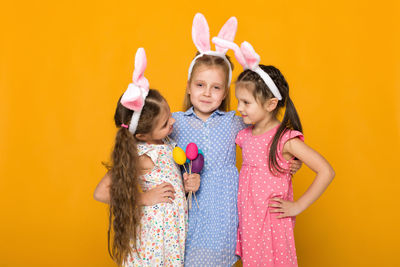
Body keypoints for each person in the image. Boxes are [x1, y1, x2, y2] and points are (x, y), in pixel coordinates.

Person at [169, 14, 301, 266]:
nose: (207, 93)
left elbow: (268, 132)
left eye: (216, 87)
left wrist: (291, 161)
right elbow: (153, 149)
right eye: (200, 84)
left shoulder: (235, 121)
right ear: (188, 86)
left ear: (226, 93)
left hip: (226, 210)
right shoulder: (174, 122)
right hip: (188, 209)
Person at [213, 37, 335, 266]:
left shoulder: (285, 139)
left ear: (270, 104)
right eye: (238, 101)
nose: (239, 108)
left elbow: (326, 171)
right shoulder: (245, 135)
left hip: (273, 224)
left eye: (246, 103)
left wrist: (298, 205)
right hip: (250, 223)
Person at [93, 48, 195, 266]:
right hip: (152, 244)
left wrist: (183, 186)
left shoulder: (165, 144)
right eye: (165, 124)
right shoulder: (142, 155)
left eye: (170, 117)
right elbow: (101, 192)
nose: (173, 123)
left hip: (170, 239)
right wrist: (144, 198)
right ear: (142, 135)